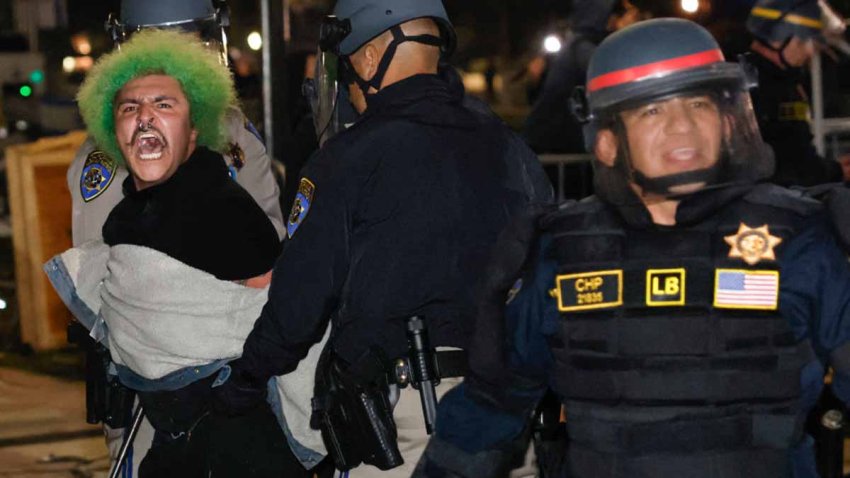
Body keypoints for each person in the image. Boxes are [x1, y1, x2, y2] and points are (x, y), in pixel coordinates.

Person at [415, 18, 850, 478]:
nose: (681, 127)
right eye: (652, 112)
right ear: (606, 141)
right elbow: (488, 410)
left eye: (697, 103)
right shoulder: (562, 254)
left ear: (727, 121)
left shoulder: (799, 240)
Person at [212, 0, 553, 476]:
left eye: (348, 74)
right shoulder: (512, 149)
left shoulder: (349, 158)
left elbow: (300, 300)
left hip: (412, 421)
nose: (350, 94)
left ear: (369, 59)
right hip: (510, 419)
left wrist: (242, 381)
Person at [53, 29, 315, 478]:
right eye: (130, 107)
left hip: (240, 449)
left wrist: (240, 383)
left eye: (164, 105)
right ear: (112, 128)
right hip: (173, 442)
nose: (145, 118)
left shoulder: (226, 210)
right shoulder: (126, 216)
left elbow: (270, 313)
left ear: (195, 130)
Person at [746, 0, 850, 186]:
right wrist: (836, 171)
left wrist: (832, 168)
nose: (810, 52)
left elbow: (796, 151)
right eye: (803, 41)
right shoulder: (761, 88)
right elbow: (786, 168)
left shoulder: (779, 80)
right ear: (779, 38)